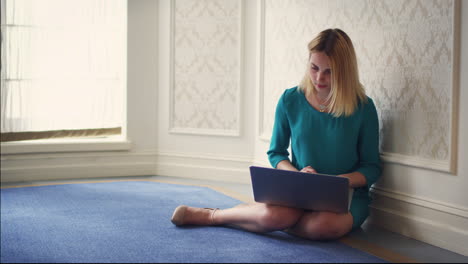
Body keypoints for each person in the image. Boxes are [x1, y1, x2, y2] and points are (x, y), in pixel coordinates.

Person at [170, 28, 381, 240]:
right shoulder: (291, 99)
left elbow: (371, 167)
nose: (319, 78)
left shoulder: (363, 107)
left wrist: (335, 182)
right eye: (314, 68)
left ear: (344, 71)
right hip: (300, 189)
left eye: (329, 71)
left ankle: (266, 218)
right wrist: (297, 176)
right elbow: (276, 153)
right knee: (283, 216)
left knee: (324, 226)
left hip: (346, 195)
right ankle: (214, 215)